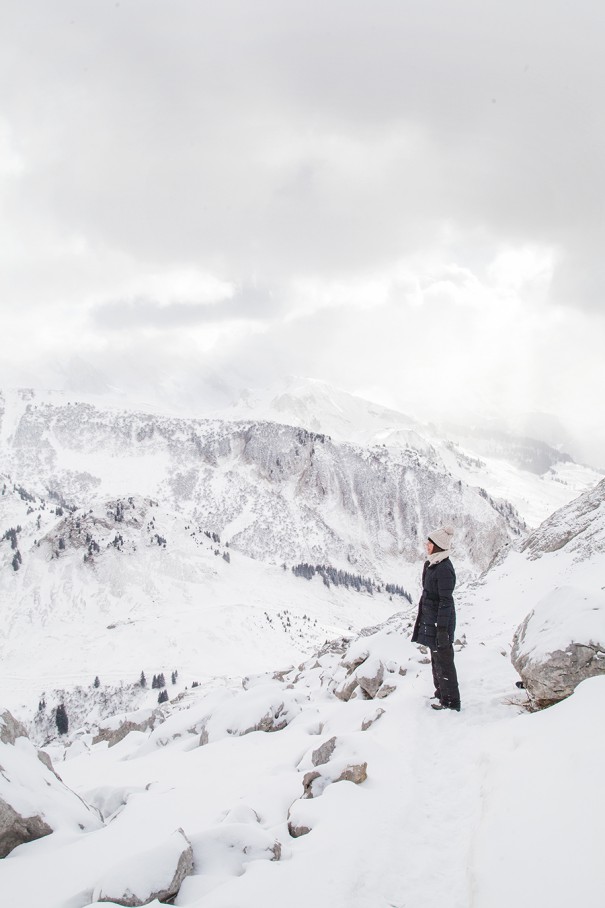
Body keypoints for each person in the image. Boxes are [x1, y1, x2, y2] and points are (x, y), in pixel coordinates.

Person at [411, 525, 461, 711]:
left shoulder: (444, 569)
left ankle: (451, 702)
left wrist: (441, 629)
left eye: (429, 543)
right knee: (436, 659)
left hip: (441, 623)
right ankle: (441, 694)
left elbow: (445, 601)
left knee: (445, 661)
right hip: (432, 620)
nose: (426, 545)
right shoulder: (432, 564)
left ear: (438, 545)